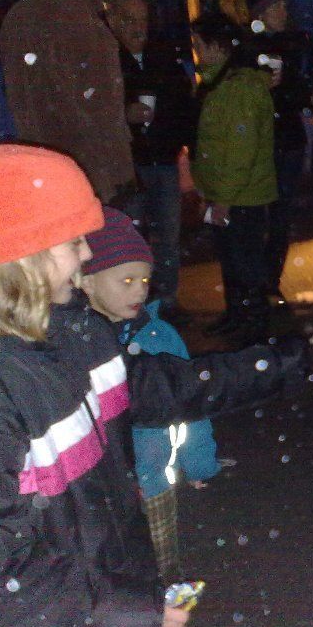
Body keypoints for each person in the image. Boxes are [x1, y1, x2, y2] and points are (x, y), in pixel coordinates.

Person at [0, 144, 304, 627]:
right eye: (74, 240)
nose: (86, 254)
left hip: (100, 622)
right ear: (22, 254)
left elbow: (150, 387)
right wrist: (131, 618)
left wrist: (270, 366)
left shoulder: (72, 330)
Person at [80, 208, 227, 585]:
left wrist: (198, 462)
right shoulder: (74, 343)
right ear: (87, 282)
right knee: (106, 571)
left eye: (144, 279)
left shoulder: (159, 338)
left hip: (154, 483)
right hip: (97, 490)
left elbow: (190, 405)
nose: (139, 291)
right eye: (127, 280)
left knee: (162, 565)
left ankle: (164, 609)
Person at [0, 0, 136, 207]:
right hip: (89, 175)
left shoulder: (21, 14)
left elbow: (29, 101)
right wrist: (115, 175)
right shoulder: (76, 16)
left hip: (45, 168)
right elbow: (98, 105)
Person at [105, 0, 195, 320]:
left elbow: (184, 105)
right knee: (131, 236)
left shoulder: (163, 57)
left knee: (168, 236)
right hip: (129, 165)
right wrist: (123, 115)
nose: (137, 27)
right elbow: (96, 108)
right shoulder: (107, 60)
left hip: (164, 160)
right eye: (129, 20)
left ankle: (166, 301)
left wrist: (185, 145)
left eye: (142, 20)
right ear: (114, 21)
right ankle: (134, 306)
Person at [190, 12, 277, 345]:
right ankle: (238, 316)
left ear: (218, 47)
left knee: (245, 261)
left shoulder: (238, 89)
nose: (196, 52)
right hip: (228, 192)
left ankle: (255, 326)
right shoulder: (219, 85)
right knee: (231, 259)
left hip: (243, 196)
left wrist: (224, 198)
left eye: (199, 45)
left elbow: (241, 151)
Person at [246, 0, 313, 299]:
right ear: (261, 13)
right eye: (275, 7)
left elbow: (301, 94)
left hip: (287, 140)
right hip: (260, 143)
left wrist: (292, 84)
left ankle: (269, 281)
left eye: (283, 6)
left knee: (280, 215)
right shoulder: (249, 49)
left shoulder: (294, 45)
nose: (282, 12)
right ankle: (256, 281)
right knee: (258, 214)